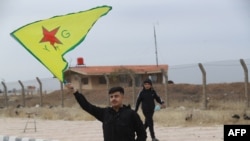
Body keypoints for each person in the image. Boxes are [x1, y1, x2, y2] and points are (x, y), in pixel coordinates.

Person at [65, 84, 147, 141]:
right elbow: (86, 106)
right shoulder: (105, 113)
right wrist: (75, 92)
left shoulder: (131, 114)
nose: (113, 99)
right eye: (111, 97)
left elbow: (142, 134)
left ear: (122, 97)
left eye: (116, 96)